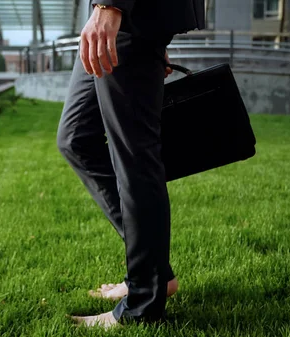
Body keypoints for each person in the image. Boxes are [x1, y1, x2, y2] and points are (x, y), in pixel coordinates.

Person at [56, 0, 205, 328]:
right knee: (76, 138)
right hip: (130, 19)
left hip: (126, 16)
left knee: (135, 157)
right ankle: (154, 274)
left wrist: (111, 5)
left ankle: (143, 306)